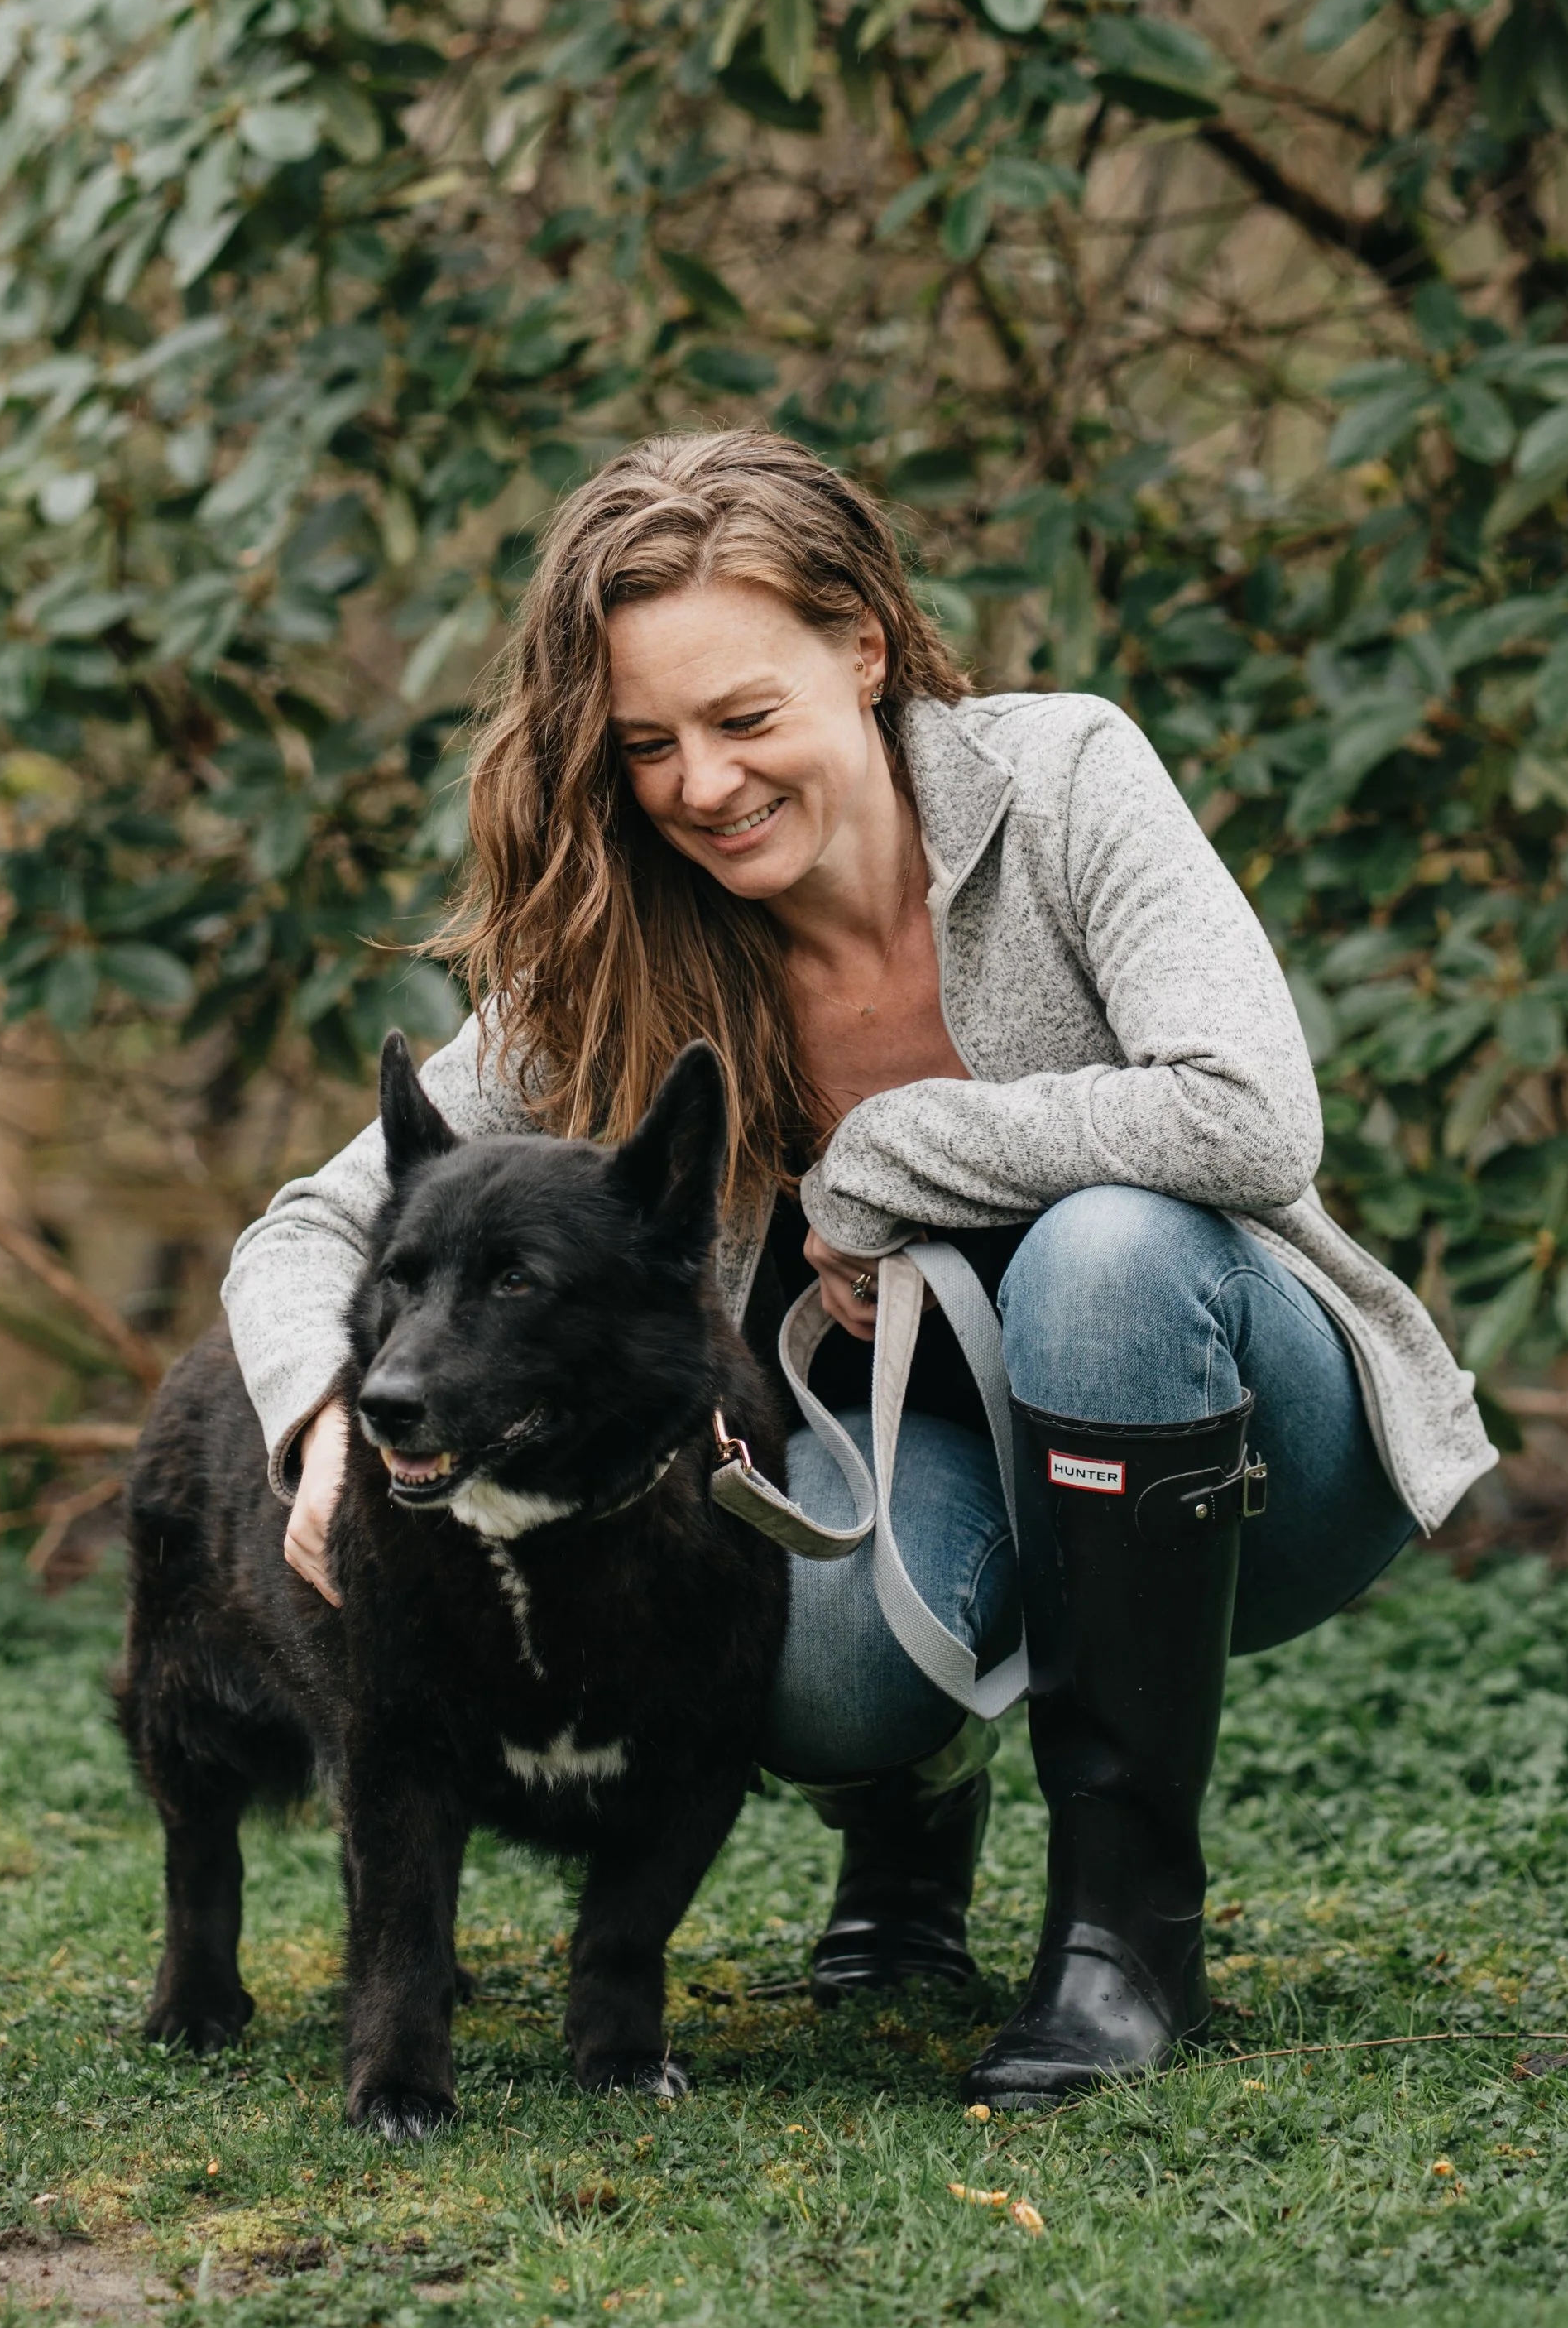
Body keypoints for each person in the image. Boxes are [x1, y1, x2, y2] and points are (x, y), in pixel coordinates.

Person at [223, 432, 1495, 2108]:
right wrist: (315, 1411)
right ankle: (913, 1806)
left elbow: (1248, 1113)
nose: (701, 784)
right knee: (795, 1655)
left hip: (1251, 1452)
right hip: (919, 1468)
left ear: (867, 650)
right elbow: (313, 1224)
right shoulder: (622, 947)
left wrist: (885, 1152)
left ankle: (1126, 1931)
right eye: (647, 745)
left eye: (744, 717)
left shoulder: (1064, 778)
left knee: (1103, 1253)